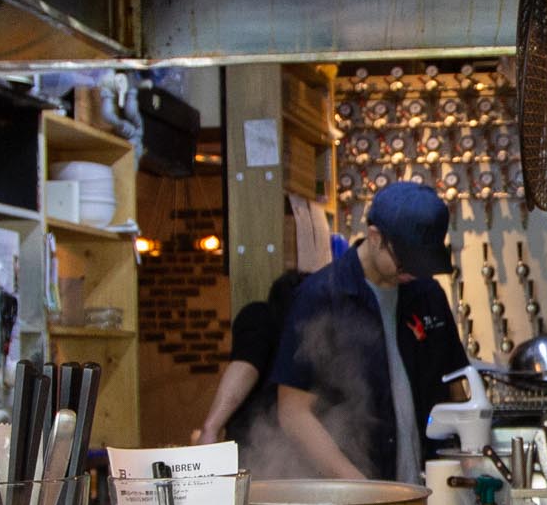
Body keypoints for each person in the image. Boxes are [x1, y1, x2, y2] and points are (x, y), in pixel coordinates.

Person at [273, 180, 470, 483]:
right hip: (356, 493)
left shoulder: (428, 295)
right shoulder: (322, 297)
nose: (415, 272)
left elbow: (456, 389)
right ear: (375, 236)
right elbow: (293, 413)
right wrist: (359, 487)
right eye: (407, 260)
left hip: (432, 488)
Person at [194, 269, 303, 448]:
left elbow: (245, 364)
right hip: (265, 445)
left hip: (259, 447)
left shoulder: (261, 315)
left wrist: (211, 428)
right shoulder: (262, 316)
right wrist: (210, 428)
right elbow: (246, 364)